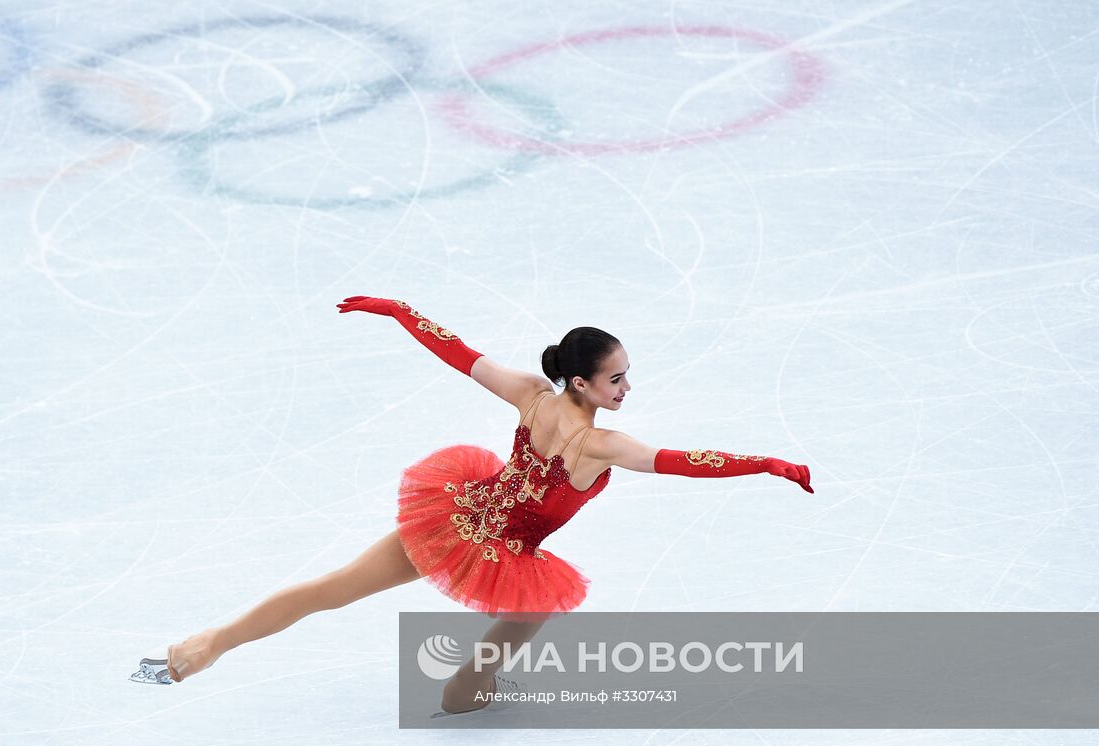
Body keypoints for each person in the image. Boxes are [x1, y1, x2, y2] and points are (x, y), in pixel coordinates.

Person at [131, 296, 814, 714]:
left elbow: (454, 349)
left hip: (457, 517)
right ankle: (466, 690)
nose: (626, 387)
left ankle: (209, 642)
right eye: (616, 378)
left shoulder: (530, 393)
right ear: (581, 379)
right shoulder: (599, 447)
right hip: (505, 551)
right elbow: (685, 462)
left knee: (332, 589)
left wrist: (399, 310)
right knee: (534, 609)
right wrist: (767, 464)